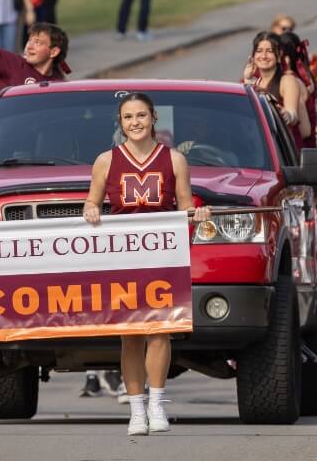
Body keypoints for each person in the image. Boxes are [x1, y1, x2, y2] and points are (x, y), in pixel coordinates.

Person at [82, 93, 210, 435]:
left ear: (154, 118)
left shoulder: (175, 160)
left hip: (162, 257)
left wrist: (198, 215)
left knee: (160, 331)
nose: (135, 122)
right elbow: (91, 203)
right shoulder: (105, 161)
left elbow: (185, 208)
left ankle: (157, 403)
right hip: (123, 259)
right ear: (120, 123)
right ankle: (136, 410)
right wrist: (92, 210)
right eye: (128, 117)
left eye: (141, 115)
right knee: (130, 335)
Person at [244, 32, 310, 148]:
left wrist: (286, 115)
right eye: (259, 51)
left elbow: (292, 114)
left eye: (269, 51)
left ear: (279, 56)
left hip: (284, 150)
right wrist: (248, 79)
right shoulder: (256, 82)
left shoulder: (287, 81)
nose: (263, 56)